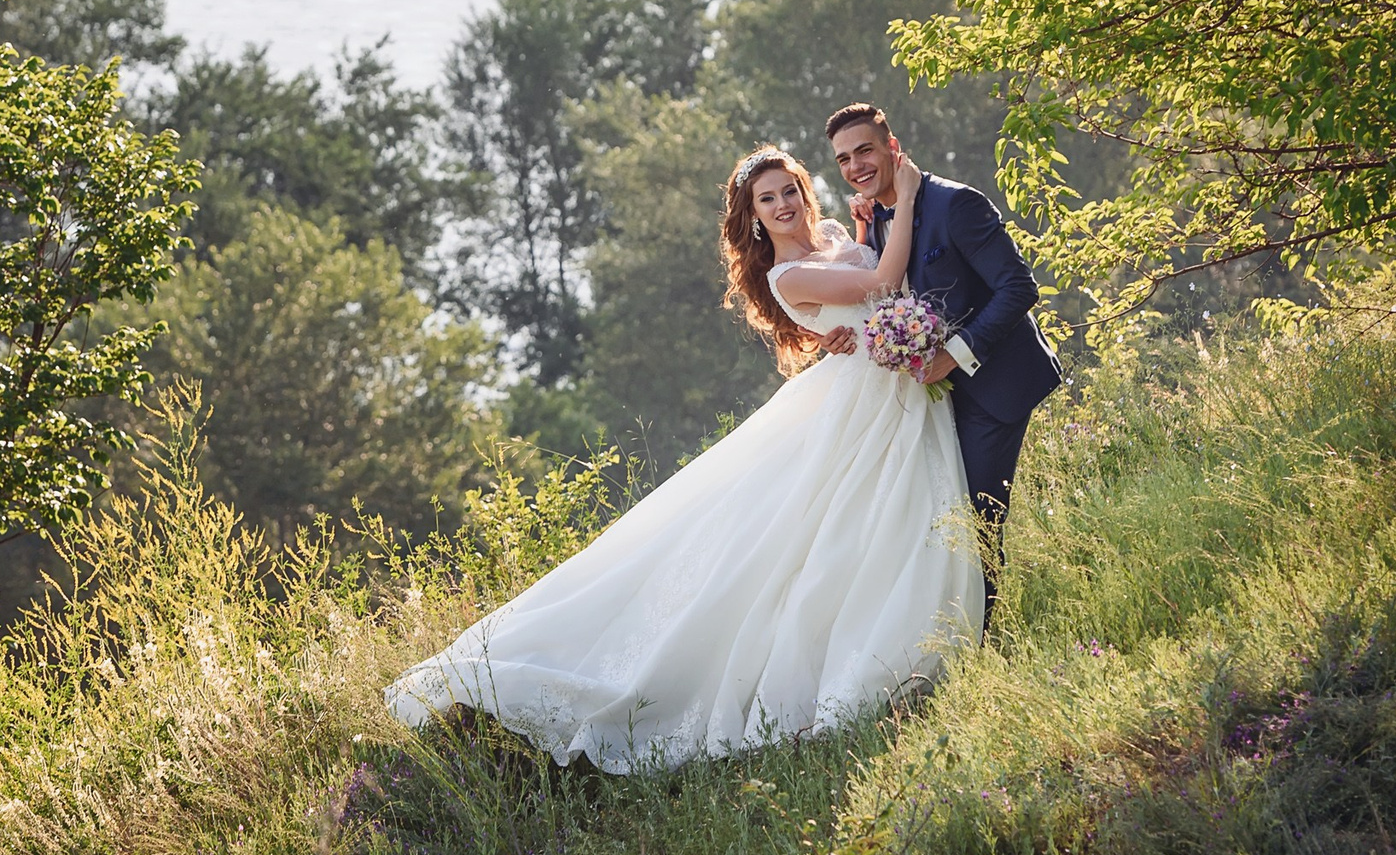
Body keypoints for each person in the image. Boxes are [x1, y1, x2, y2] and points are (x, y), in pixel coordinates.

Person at [386, 146, 981, 771]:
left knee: (886, 511)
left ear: (807, 192)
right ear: (752, 217)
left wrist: (864, 231)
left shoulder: (835, 233)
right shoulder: (786, 276)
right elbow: (883, 284)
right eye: (767, 200)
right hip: (860, 396)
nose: (782, 206)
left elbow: (864, 284)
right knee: (824, 525)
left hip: (885, 382)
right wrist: (907, 196)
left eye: (789, 191)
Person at [825, 103, 1062, 623]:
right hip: (932, 402)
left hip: (993, 384)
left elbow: (1019, 288)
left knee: (975, 520)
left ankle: (984, 642)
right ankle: (952, 636)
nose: (855, 166)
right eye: (843, 159)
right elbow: (882, 293)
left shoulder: (955, 204)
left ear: (892, 147)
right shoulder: (880, 219)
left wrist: (952, 358)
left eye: (865, 150)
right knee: (933, 517)